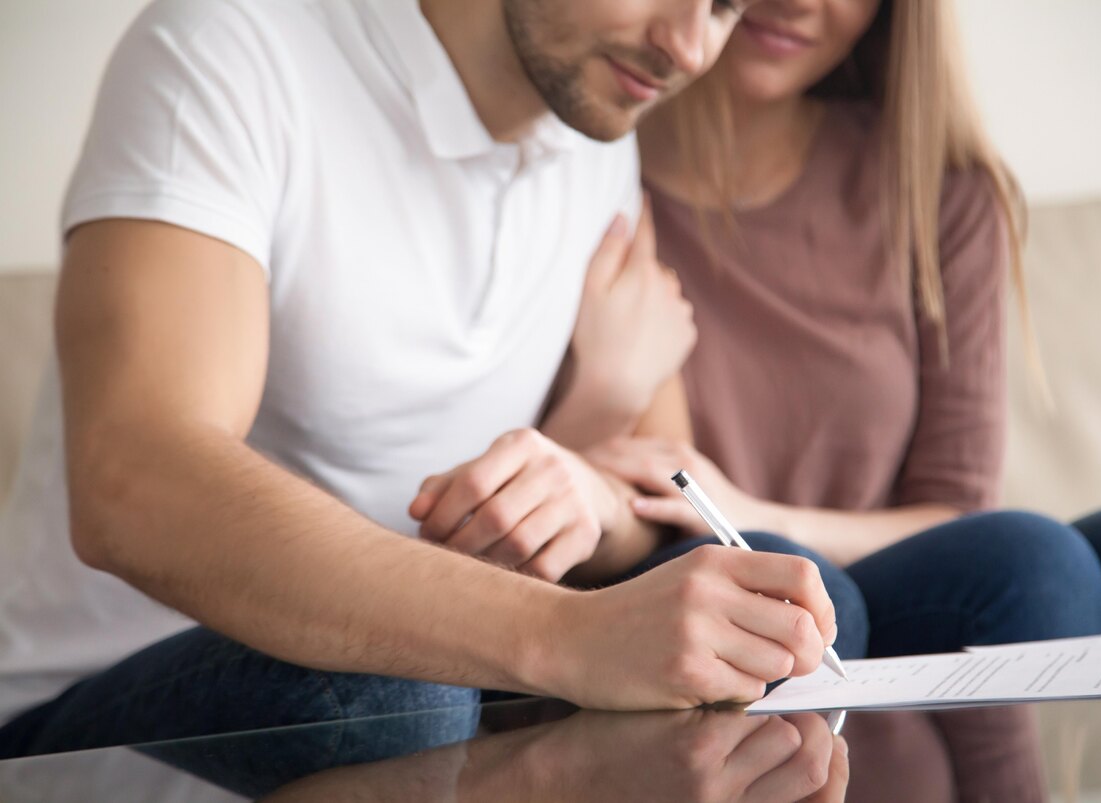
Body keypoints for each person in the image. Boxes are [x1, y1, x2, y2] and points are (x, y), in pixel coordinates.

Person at [0, 0, 852, 759]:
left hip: (443, 675)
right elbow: (136, 485)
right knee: (403, 690)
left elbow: (661, 489)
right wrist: (565, 633)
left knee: (784, 596)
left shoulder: (595, 133)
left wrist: (588, 486)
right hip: (92, 708)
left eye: (725, 6)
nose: (691, 48)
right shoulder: (228, 51)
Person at [541, 0, 1101, 798]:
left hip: (899, 681)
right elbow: (618, 505)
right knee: (803, 583)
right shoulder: (585, 180)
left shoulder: (940, 191)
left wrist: (744, 504)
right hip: (707, 686)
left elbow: (968, 532)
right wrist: (607, 392)